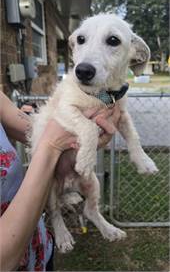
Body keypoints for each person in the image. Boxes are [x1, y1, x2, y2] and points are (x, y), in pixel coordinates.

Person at [0, 91, 120, 271]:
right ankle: (57, 219)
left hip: (39, 250)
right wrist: (52, 144)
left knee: (90, 178)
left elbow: (29, 128)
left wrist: (105, 103)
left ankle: (92, 214)